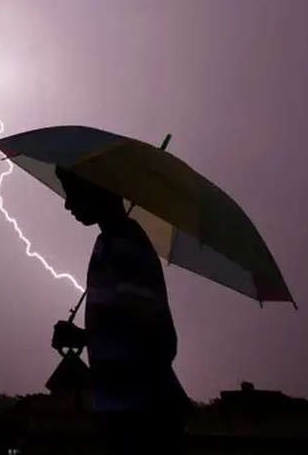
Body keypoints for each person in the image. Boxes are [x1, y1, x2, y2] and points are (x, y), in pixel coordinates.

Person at [51, 166, 192, 454]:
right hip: (119, 417)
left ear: (100, 189)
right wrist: (84, 337)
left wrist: (91, 337)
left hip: (140, 422)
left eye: (74, 192)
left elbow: (158, 339)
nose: (67, 203)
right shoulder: (107, 243)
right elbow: (124, 326)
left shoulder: (127, 246)